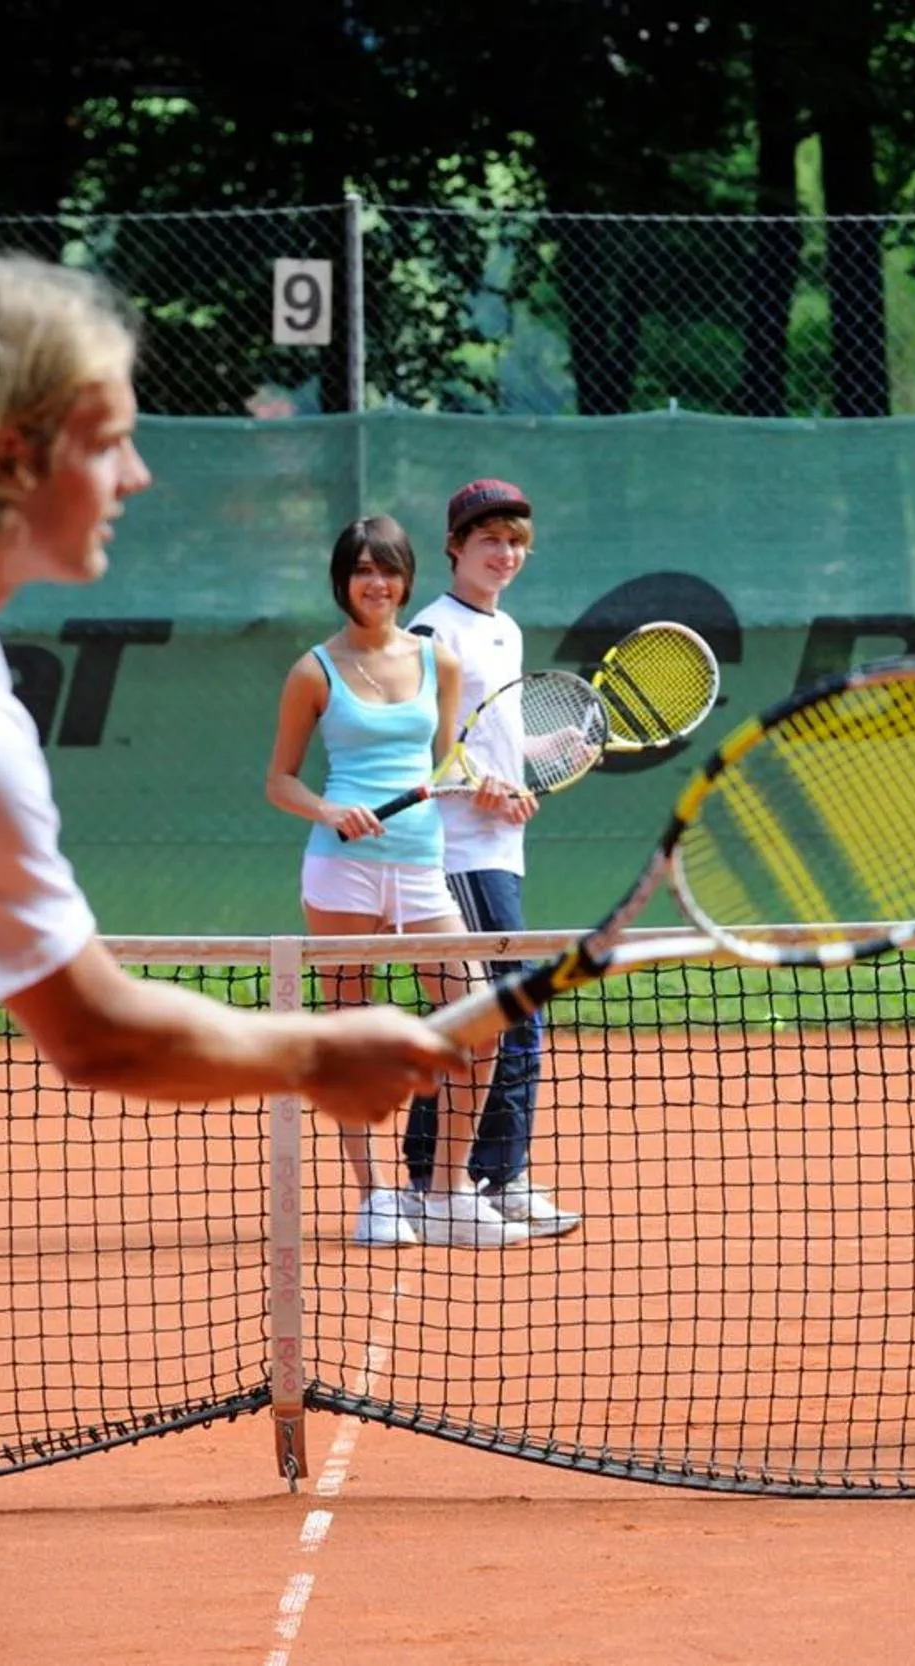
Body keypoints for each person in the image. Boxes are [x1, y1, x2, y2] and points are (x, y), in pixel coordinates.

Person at [0, 251, 462, 1292]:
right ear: (9, 453)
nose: (136, 475)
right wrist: (317, 1054)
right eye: (110, 442)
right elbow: (99, 1034)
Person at [265, 513, 528, 1249]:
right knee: (354, 1039)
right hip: (340, 870)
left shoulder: (436, 660)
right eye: (361, 571)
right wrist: (329, 809)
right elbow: (279, 781)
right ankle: (376, 1197)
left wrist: (493, 789)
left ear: (406, 579)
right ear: (342, 582)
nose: (375, 584)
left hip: (421, 867)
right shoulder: (312, 670)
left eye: (387, 571)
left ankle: (445, 1193)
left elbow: (452, 761)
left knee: (478, 1021)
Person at [397, 478, 581, 1236]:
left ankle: (440, 1178)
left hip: (502, 848)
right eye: (489, 541)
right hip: (457, 850)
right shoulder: (431, 633)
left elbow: (492, 738)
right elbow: (421, 747)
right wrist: (480, 791)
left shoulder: (504, 631)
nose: (504, 555)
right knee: (508, 1017)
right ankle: (483, 1179)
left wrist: (551, 748)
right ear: (454, 547)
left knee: (475, 1019)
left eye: (514, 544)